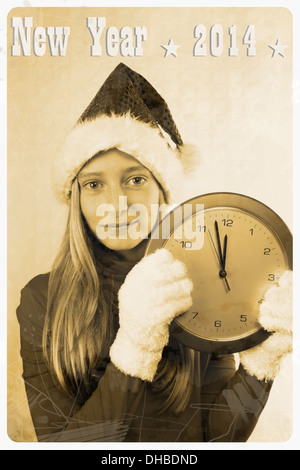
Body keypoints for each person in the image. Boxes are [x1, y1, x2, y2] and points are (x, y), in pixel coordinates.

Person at [16, 63, 293, 442]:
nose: (117, 203)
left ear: (162, 191)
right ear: (75, 199)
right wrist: (136, 343)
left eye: (135, 179)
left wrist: (262, 359)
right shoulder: (41, 300)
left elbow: (219, 440)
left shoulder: (201, 289)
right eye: (94, 184)